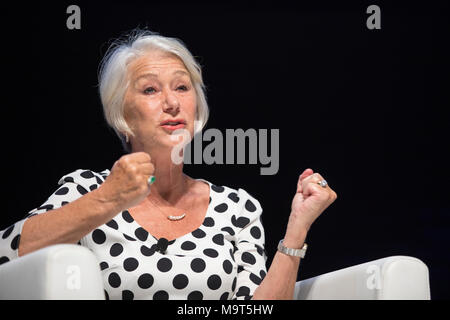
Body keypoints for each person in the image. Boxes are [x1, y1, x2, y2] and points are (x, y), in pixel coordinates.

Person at [0, 29, 337, 300]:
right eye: (150, 89)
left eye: (181, 87)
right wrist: (108, 200)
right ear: (121, 116)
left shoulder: (238, 207)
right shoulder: (87, 188)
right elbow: (7, 252)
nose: (172, 102)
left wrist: (297, 226)